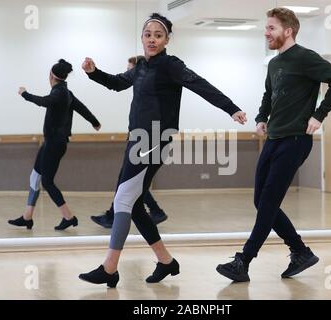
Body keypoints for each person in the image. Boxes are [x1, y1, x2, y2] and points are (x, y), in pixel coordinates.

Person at [79, 12, 247, 288]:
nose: (152, 39)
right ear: (142, 39)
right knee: (133, 206)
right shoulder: (142, 67)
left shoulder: (171, 65)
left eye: (158, 35)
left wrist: (232, 108)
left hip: (154, 139)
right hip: (137, 139)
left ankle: (110, 268)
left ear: (167, 39)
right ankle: (166, 262)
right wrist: (93, 72)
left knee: (123, 199)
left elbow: (201, 85)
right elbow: (117, 83)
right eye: (148, 35)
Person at [216, 7, 331, 282]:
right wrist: (262, 117)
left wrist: (319, 114)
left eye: (271, 28)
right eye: (266, 28)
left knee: (268, 202)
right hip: (274, 137)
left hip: (296, 140)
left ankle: (244, 260)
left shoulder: (305, 58)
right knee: (261, 200)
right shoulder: (274, 63)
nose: (266, 33)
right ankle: (300, 251)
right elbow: (269, 93)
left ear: (288, 31)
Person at [8, 59, 101, 231]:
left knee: (47, 182)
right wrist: (95, 122)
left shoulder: (58, 94)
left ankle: (69, 217)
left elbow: (44, 101)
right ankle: (27, 217)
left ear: (51, 75)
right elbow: (82, 108)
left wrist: (25, 94)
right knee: (35, 177)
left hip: (55, 143)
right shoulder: (67, 93)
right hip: (52, 142)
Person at [91, 55, 168, 229]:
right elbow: (116, 83)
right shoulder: (139, 91)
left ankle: (114, 216)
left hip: (147, 140)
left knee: (127, 182)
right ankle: (153, 211)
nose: (127, 73)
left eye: (129, 69)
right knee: (131, 184)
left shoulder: (152, 88)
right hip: (137, 137)